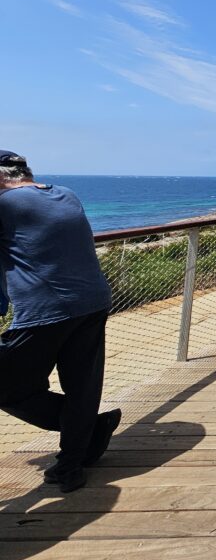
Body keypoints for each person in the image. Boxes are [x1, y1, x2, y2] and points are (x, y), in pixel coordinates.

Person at [0, 150, 120, 492]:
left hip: (47, 309)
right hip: (92, 300)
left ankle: (91, 430)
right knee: (81, 386)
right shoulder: (66, 193)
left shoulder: (5, 204)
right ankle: (71, 466)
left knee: (7, 385)